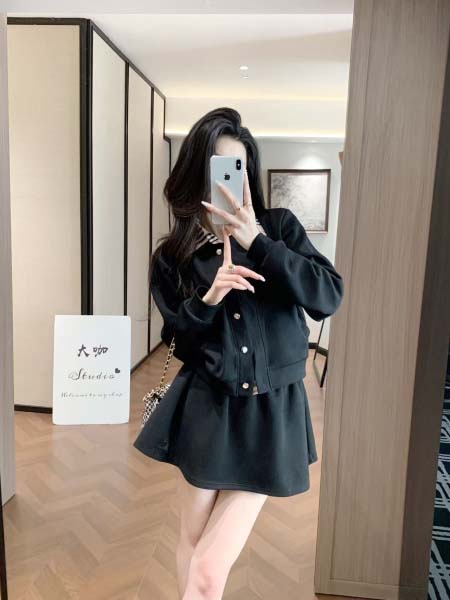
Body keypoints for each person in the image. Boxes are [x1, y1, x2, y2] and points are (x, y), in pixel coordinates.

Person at [133, 107, 344, 599]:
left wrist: (259, 242)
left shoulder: (280, 229)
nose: (233, 180)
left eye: (241, 168)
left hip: (272, 413)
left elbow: (327, 296)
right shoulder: (173, 257)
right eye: (221, 168)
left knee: (208, 570)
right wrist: (208, 301)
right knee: (191, 542)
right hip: (208, 407)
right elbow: (179, 341)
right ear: (196, 173)